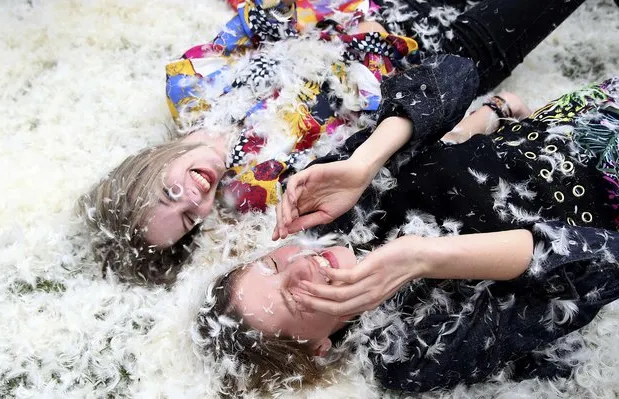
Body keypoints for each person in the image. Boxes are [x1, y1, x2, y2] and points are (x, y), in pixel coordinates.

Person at [78, 0, 586, 285]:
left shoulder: (189, 84)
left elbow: (267, 18)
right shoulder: (263, 192)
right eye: (190, 218)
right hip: (447, 56)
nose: (194, 198)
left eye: (169, 194)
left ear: (145, 166)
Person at [194, 67, 619, 396]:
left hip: (582, 116)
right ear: (317, 347)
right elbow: (601, 262)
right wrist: (423, 258)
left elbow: (452, 72)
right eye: (292, 296)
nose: (298, 267)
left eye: (271, 264)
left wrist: (364, 162)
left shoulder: (331, 213)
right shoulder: (408, 350)